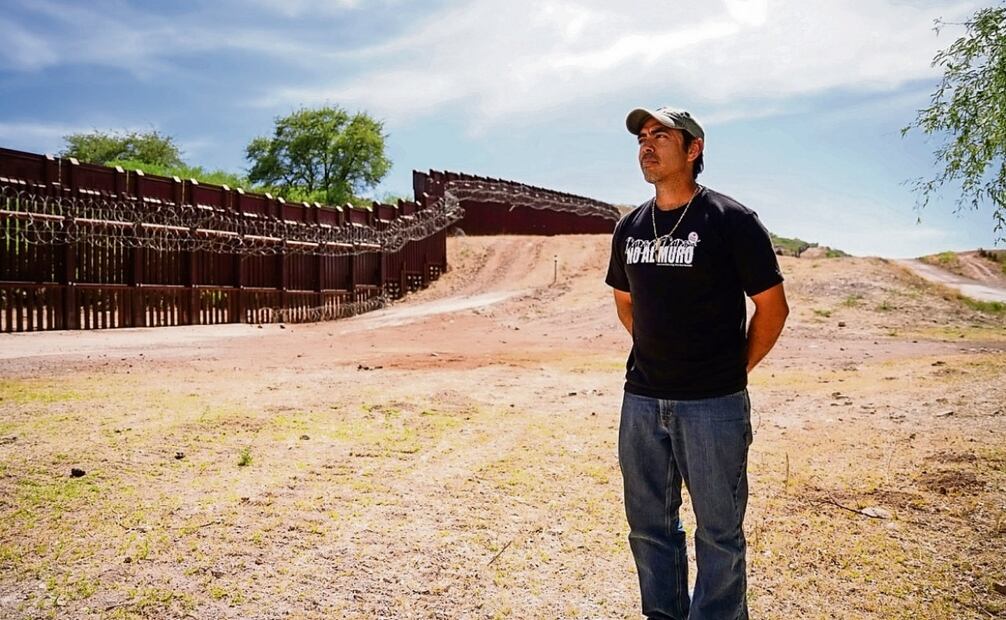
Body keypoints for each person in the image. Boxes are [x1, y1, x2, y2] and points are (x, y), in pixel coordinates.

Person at [606, 106, 789, 620]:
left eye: (660, 135)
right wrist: (656, 349)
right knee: (648, 527)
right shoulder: (630, 228)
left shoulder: (731, 220)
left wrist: (733, 369)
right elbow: (624, 300)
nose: (647, 144)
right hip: (641, 400)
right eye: (642, 136)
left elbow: (772, 307)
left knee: (719, 533)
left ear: (693, 149)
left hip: (713, 404)